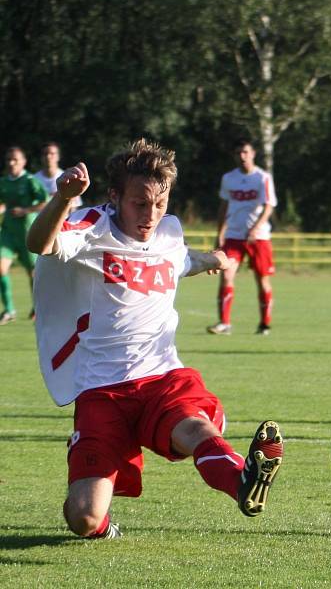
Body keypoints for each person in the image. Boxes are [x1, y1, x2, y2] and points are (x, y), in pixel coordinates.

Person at [26, 139, 284, 539]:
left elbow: (178, 260)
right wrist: (63, 198)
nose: (151, 215)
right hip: (102, 392)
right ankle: (103, 525)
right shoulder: (92, 227)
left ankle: (244, 480)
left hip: (162, 379)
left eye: (160, 203)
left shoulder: (168, 232)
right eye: (139, 203)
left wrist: (212, 260)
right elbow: (39, 244)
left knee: (196, 431)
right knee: (84, 518)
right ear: (114, 197)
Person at [207, 139, 278, 336]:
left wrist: (256, 228)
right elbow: (224, 206)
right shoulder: (229, 178)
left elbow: (269, 206)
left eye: (245, 152)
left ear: (253, 153)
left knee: (262, 280)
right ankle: (224, 323)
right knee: (226, 274)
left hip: (259, 237)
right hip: (234, 236)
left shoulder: (262, 177)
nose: (242, 156)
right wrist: (220, 233)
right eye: (238, 153)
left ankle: (264, 324)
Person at [0, 146, 49, 324]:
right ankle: (9, 310)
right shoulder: (4, 182)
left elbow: (45, 203)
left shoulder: (29, 181)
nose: (11, 163)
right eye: (8, 160)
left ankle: (37, 308)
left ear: (23, 162)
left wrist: (26, 210)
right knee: (1, 268)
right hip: (7, 232)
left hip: (27, 232)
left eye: (15, 160)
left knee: (33, 273)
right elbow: (4, 204)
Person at [33, 142, 83, 213]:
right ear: (41, 157)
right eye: (45, 154)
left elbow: (74, 207)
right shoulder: (33, 179)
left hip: (62, 223)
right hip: (39, 223)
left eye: (52, 153)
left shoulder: (68, 178)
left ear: (58, 157)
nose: (48, 156)